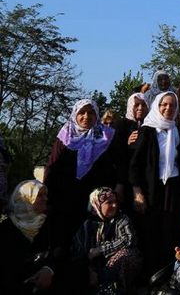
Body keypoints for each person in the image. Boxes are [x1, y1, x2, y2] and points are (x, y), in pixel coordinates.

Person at [43, 99, 120, 258]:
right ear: (74, 115)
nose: (86, 116)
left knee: (92, 240)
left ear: (97, 115)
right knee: (62, 239)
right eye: (82, 112)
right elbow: (52, 166)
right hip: (64, 197)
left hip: (94, 200)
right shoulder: (65, 135)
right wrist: (46, 195)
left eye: (91, 112)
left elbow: (118, 164)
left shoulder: (107, 136)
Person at [129, 91, 180, 278]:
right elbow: (134, 164)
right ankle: (149, 276)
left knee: (170, 229)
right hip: (151, 188)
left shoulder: (177, 131)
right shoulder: (146, 131)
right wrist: (137, 192)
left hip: (173, 188)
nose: (168, 108)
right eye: (164, 104)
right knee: (150, 230)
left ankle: (168, 274)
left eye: (172, 105)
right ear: (157, 105)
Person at [71, 187, 142, 294]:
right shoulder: (87, 225)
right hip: (91, 272)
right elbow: (78, 250)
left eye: (115, 202)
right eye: (109, 202)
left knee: (127, 254)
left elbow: (129, 239)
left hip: (114, 272)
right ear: (97, 205)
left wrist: (101, 250)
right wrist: (89, 271)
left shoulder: (121, 219)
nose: (115, 205)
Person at [0, 181, 57, 295]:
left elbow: (55, 253)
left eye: (45, 195)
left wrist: (48, 269)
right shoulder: (6, 229)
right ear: (25, 199)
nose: (45, 199)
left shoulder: (47, 224)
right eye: (40, 195)